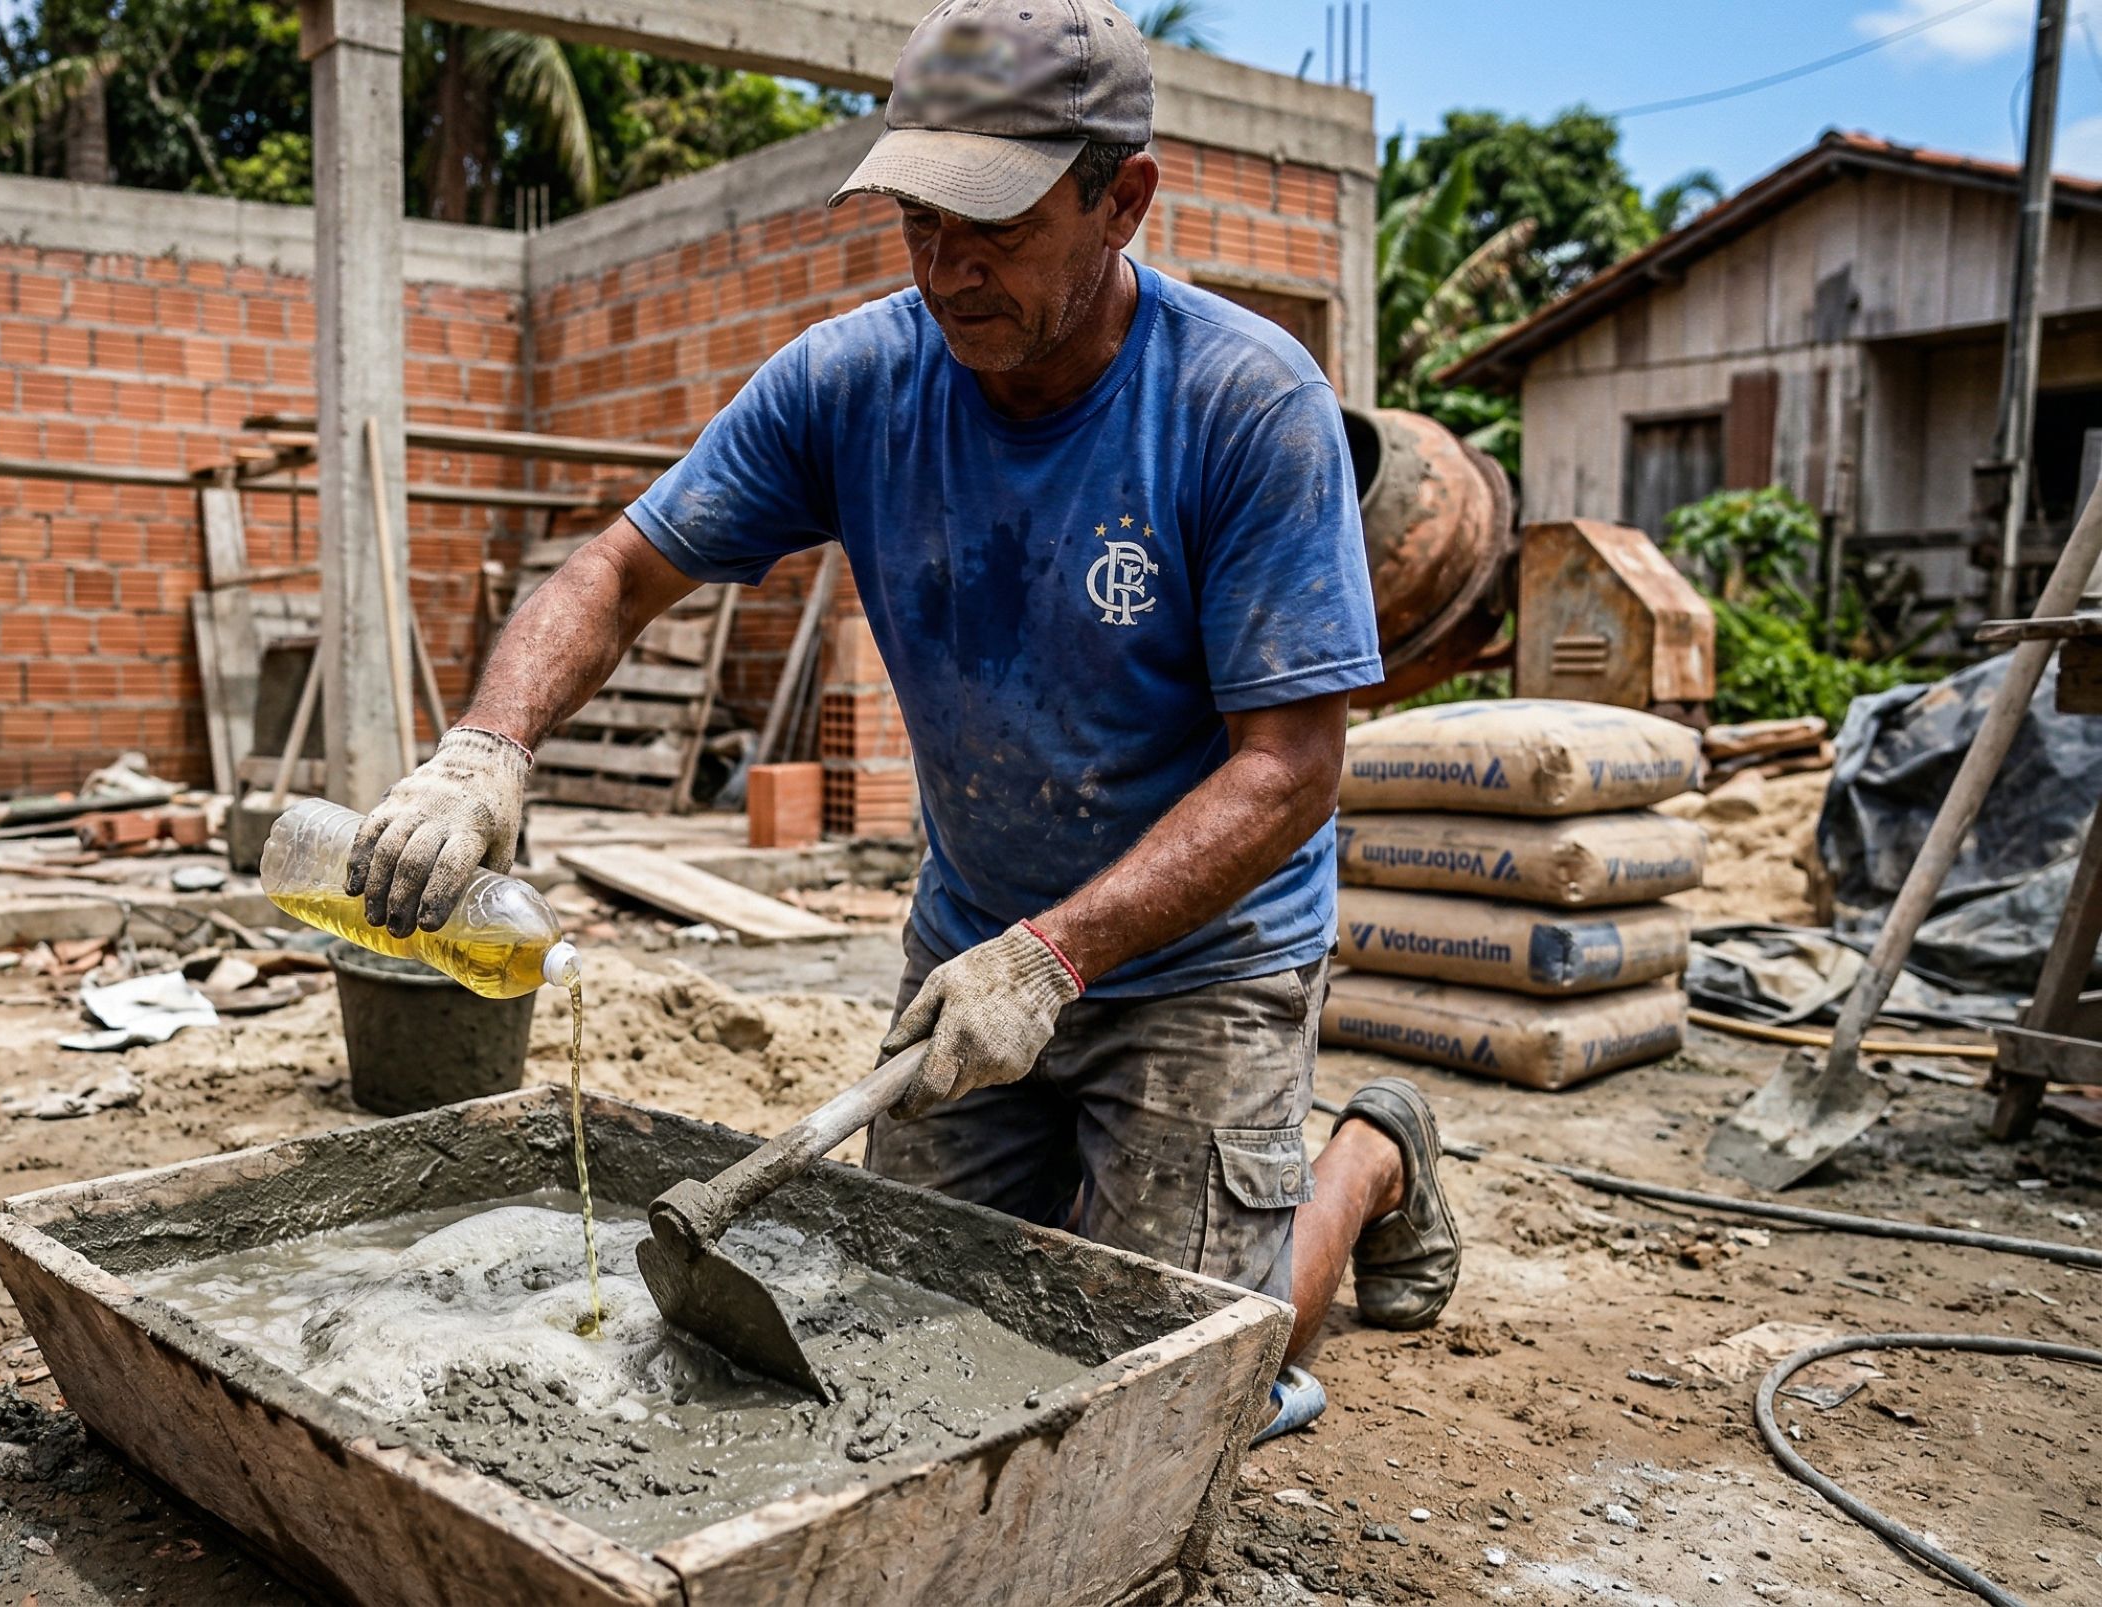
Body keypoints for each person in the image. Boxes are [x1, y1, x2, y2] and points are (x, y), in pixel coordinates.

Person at [343, 0, 1457, 1436]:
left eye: (995, 227)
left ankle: (1366, 1158)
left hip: (1203, 958)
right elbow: (614, 574)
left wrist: (1058, 959)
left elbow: (1292, 770)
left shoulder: (1245, 404)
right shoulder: (854, 379)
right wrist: (484, 751)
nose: (946, 269)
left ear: (1123, 200)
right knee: (907, 1330)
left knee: (1169, 1374)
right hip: (970, 935)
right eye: (920, 222)